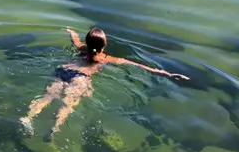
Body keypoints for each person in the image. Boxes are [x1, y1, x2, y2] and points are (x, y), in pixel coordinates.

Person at [21, 26, 185, 140]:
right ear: (105, 44)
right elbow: (138, 65)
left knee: (47, 96)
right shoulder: (107, 59)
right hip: (80, 77)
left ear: (88, 42)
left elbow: (75, 40)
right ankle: (54, 128)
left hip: (63, 70)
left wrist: (70, 31)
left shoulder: (81, 48)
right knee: (67, 104)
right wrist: (167, 73)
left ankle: (28, 117)